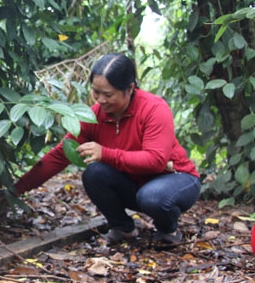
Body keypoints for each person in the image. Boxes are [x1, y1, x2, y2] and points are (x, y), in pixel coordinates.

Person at [15, 53, 201, 246]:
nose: (101, 100)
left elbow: (156, 161)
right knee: (94, 173)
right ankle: (123, 228)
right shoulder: (94, 116)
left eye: (108, 94)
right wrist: (17, 189)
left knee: (153, 197)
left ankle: (167, 229)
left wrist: (105, 153)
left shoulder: (154, 109)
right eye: (96, 92)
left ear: (130, 88)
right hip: (136, 185)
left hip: (175, 179)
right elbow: (60, 155)